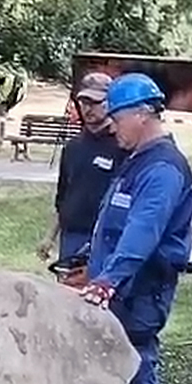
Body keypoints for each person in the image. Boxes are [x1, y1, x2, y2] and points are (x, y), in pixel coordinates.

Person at [82, 72, 192, 384]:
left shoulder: (163, 169)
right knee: (115, 370)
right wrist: (89, 265)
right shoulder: (139, 160)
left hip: (140, 290)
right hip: (122, 284)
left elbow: (143, 232)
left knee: (135, 372)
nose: (110, 125)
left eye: (117, 117)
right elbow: (114, 224)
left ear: (142, 114)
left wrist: (109, 279)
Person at [37, 73, 125, 264]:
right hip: (72, 238)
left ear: (110, 103)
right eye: (84, 102)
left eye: (95, 102)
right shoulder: (73, 147)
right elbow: (63, 199)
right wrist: (49, 237)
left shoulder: (123, 146)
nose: (88, 108)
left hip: (108, 238)